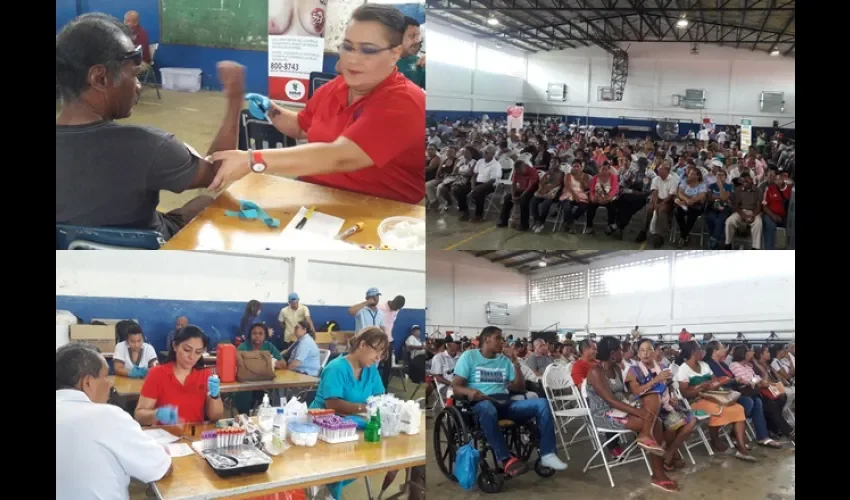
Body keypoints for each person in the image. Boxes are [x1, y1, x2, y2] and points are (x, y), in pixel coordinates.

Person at [209, 5, 426, 205]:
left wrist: (252, 159)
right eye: (348, 47)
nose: (352, 58)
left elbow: (342, 156)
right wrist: (270, 109)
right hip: (314, 197)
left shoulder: (405, 101)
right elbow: (301, 126)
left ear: (395, 53)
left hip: (379, 211)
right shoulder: (334, 88)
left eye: (367, 50)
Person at [56, 14, 245, 239]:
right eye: (134, 74)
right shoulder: (148, 146)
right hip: (147, 255)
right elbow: (218, 172)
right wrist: (235, 101)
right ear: (100, 78)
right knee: (207, 201)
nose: (137, 86)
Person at [57, 343, 172, 499]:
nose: (110, 383)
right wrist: (162, 452)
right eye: (105, 376)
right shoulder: (106, 416)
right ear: (88, 382)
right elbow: (160, 467)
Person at [452, 326, 567, 477]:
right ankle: (504, 459)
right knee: (487, 407)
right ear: (486, 339)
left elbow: (519, 387)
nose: (503, 342)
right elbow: (456, 387)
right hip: (479, 405)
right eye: (498, 338)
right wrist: (470, 391)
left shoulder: (504, 361)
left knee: (542, 403)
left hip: (504, 403)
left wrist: (515, 363)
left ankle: (547, 454)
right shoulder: (469, 356)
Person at [585, 337, 678, 492]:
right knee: (654, 422)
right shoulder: (595, 371)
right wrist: (639, 411)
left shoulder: (615, 368)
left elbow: (625, 394)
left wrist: (640, 402)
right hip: (604, 414)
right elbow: (610, 400)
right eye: (621, 350)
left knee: (653, 398)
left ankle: (646, 438)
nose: (624, 352)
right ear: (612, 353)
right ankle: (658, 473)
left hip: (622, 407)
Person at [674, 341, 755, 461]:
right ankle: (715, 438)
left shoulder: (704, 365)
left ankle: (741, 448)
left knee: (739, 408)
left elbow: (715, 381)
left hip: (712, 396)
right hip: (696, 401)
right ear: (693, 352)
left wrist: (714, 384)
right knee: (720, 410)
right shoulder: (683, 369)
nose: (702, 352)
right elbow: (685, 393)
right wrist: (701, 387)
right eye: (699, 349)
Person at [626, 339, 698, 472]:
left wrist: (672, 397)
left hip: (666, 406)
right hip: (649, 409)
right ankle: (670, 454)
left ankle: (670, 452)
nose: (646, 353)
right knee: (672, 425)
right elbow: (636, 392)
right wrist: (655, 380)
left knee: (691, 421)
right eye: (642, 350)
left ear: (654, 352)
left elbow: (668, 388)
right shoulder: (633, 370)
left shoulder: (663, 368)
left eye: (649, 350)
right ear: (638, 353)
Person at [135, 326, 224, 425]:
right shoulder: (157, 374)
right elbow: (139, 416)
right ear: (175, 346)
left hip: (195, 435)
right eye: (187, 350)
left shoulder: (205, 375)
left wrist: (215, 396)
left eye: (198, 352)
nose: (192, 357)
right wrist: (157, 414)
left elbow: (216, 416)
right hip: (165, 435)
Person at [703, 341, 781, 449]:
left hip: (734, 392)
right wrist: (735, 380)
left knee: (757, 401)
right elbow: (719, 382)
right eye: (722, 348)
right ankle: (737, 431)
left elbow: (731, 379)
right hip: (723, 394)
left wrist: (737, 380)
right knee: (749, 402)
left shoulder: (722, 364)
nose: (725, 350)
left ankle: (762, 436)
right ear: (715, 351)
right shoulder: (709, 364)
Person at [233, 323, 285, 414]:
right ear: (250, 335)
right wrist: (264, 364)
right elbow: (235, 365)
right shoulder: (243, 347)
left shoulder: (268, 346)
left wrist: (272, 362)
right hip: (246, 385)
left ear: (265, 336)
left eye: (261, 334)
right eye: (254, 333)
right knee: (244, 405)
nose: (257, 336)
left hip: (264, 383)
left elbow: (283, 363)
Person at [636, 161, 679, 248]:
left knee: (662, 211)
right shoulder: (656, 179)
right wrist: (655, 204)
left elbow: (671, 196)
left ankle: (660, 236)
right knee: (649, 209)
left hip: (667, 201)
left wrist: (660, 204)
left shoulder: (673, 180)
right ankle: (643, 231)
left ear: (666, 171)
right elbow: (654, 193)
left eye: (660, 169)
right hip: (657, 199)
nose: (658, 170)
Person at [349, 287, 387, 383]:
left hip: (376, 346)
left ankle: (369, 389)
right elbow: (350, 311)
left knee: (372, 369)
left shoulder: (380, 313)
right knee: (359, 368)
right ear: (368, 297)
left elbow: (383, 329)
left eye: (377, 296)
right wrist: (366, 303)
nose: (376, 298)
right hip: (362, 345)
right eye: (373, 296)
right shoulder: (361, 311)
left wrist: (385, 346)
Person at [457, 145, 501, 222]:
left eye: (486, 152)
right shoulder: (480, 161)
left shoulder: (496, 165)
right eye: (484, 152)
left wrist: (478, 188)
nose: (484, 154)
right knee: (459, 190)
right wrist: (472, 184)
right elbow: (474, 174)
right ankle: (465, 212)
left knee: (479, 194)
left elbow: (493, 180)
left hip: (488, 184)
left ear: (492, 154)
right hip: (477, 183)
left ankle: (478, 215)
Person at [724, 171, 763, 249]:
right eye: (743, 181)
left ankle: (755, 247)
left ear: (751, 180)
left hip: (753, 212)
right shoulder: (738, 190)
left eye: (746, 181)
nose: (744, 183)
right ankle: (728, 244)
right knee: (729, 221)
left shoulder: (758, 190)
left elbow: (758, 206)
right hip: (741, 212)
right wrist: (744, 216)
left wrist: (753, 216)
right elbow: (736, 206)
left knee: (758, 223)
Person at [497, 160, 538, 231]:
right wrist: (513, 196)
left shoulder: (533, 171)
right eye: (517, 171)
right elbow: (513, 184)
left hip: (532, 190)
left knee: (524, 202)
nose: (519, 173)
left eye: (520, 171)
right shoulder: (516, 171)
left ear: (524, 167)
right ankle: (503, 221)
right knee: (507, 198)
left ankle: (524, 225)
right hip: (522, 189)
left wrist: (520, 197)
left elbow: (530, 187)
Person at [673, 167, 707, 247]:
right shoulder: (685, 182)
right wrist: (686, 199)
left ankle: (683, 236)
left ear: (698, 176)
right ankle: (685, 235)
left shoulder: (702, 185)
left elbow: (700, 196)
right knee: (677, 211)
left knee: (692, 214)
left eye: (692, 174)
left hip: (696, 205)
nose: (689, 175)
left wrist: (690, 200)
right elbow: (680, 193)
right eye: (689, 173)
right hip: (685, 203)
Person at [530, 157, 565, 233]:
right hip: (544, 193)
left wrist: (548, 191)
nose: (553, 164)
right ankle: (536, 220)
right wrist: (540, 191)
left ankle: (541, 223)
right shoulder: (548, 172)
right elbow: (542, 183)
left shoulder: (562, 174)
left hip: (554, 195)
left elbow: (558, 186)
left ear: (559, 164)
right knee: (533, 200)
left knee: (546, 203)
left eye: (555, 162)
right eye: (551, 162)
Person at [585, 165, 619, 235]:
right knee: (590, 207)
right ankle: (589, 226)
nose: (603, 171)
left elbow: (614, 189)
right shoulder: (595, 178)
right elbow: (591, 190)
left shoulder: (613, 177)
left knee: (612, 208)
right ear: (599, 170)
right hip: (597, 197)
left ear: (608, 170)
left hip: (608, 198)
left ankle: (610, 226)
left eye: (605, 169)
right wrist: (593, 198)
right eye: (602, 169)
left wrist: (607, 198)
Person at [557, 160, 590, 234]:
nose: (576, 168)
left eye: (577, 166)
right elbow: (568, 186)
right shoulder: (568, 175)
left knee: (584, 207)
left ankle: (569, 222)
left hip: (580, 194)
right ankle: (571, 224)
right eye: (574, 166)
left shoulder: (585, 176)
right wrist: (575, 196)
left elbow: (586, 187)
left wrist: (580, 178)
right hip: (568, 194)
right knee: (567, 207)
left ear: (581, 168)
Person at [704, 169, 734, 249]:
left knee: (719, 220)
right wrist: (720, 196)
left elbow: (724, 198)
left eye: (721, 175)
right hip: (712, 207)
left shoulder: (729, 186)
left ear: (725, 177)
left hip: (724, 208)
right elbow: (709, 198)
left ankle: (713, 239)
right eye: (718, 175)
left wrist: (720, 186)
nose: (719, 177)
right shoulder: (711, 186)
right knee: (710, 218)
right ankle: (714, 238)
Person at [396, 16, 425, 89]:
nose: (417, 41)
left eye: (417, 36)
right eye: (412, 36)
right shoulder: (380, 62)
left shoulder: (418, 62)